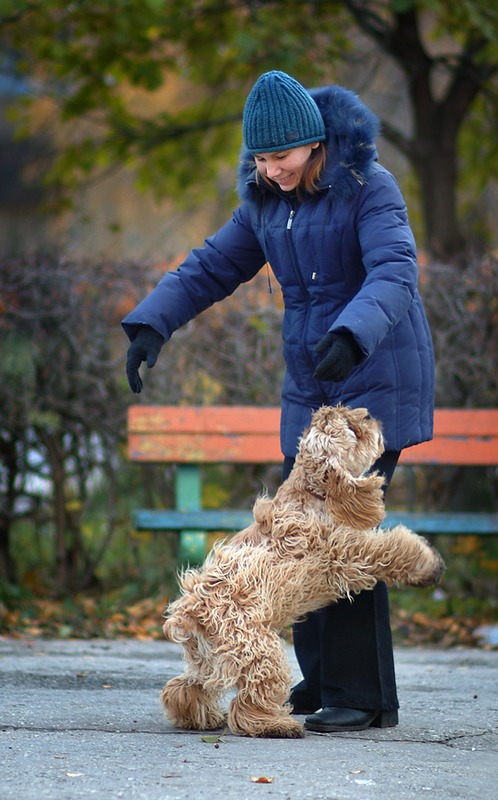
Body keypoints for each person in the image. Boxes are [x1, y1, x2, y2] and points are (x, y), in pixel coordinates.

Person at [123, 70, 435, 733]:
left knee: (336, 537)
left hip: (373, 381)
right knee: (299, 538)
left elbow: (394, 270)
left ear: (315, 144)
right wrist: (152, 323)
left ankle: (362, 696)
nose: (272, 169)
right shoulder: (266, 200)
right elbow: (211, 266)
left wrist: (354, 334)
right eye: (260, 158)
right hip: (311, 390)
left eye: (283, 156)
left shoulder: (367, 188)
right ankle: (324, 684)